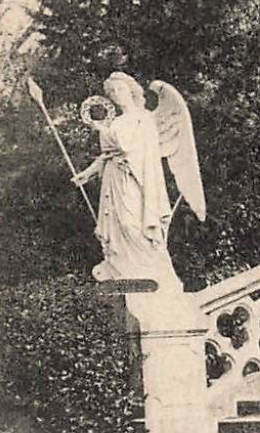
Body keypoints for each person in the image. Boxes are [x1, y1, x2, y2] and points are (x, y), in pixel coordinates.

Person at [72, 72, 180, 289]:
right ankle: (124, 272)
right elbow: (108, 154)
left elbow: (131, 148)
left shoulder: (144, 118)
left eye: (119, 89)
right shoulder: (117, 122)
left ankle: (156, 275)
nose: (116, 95)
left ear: (131, 90)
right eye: (112, 92)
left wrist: (104, 131)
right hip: (113, 180)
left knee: (133, 225)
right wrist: (88, 172)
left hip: (135, 180)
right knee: (118, 227)